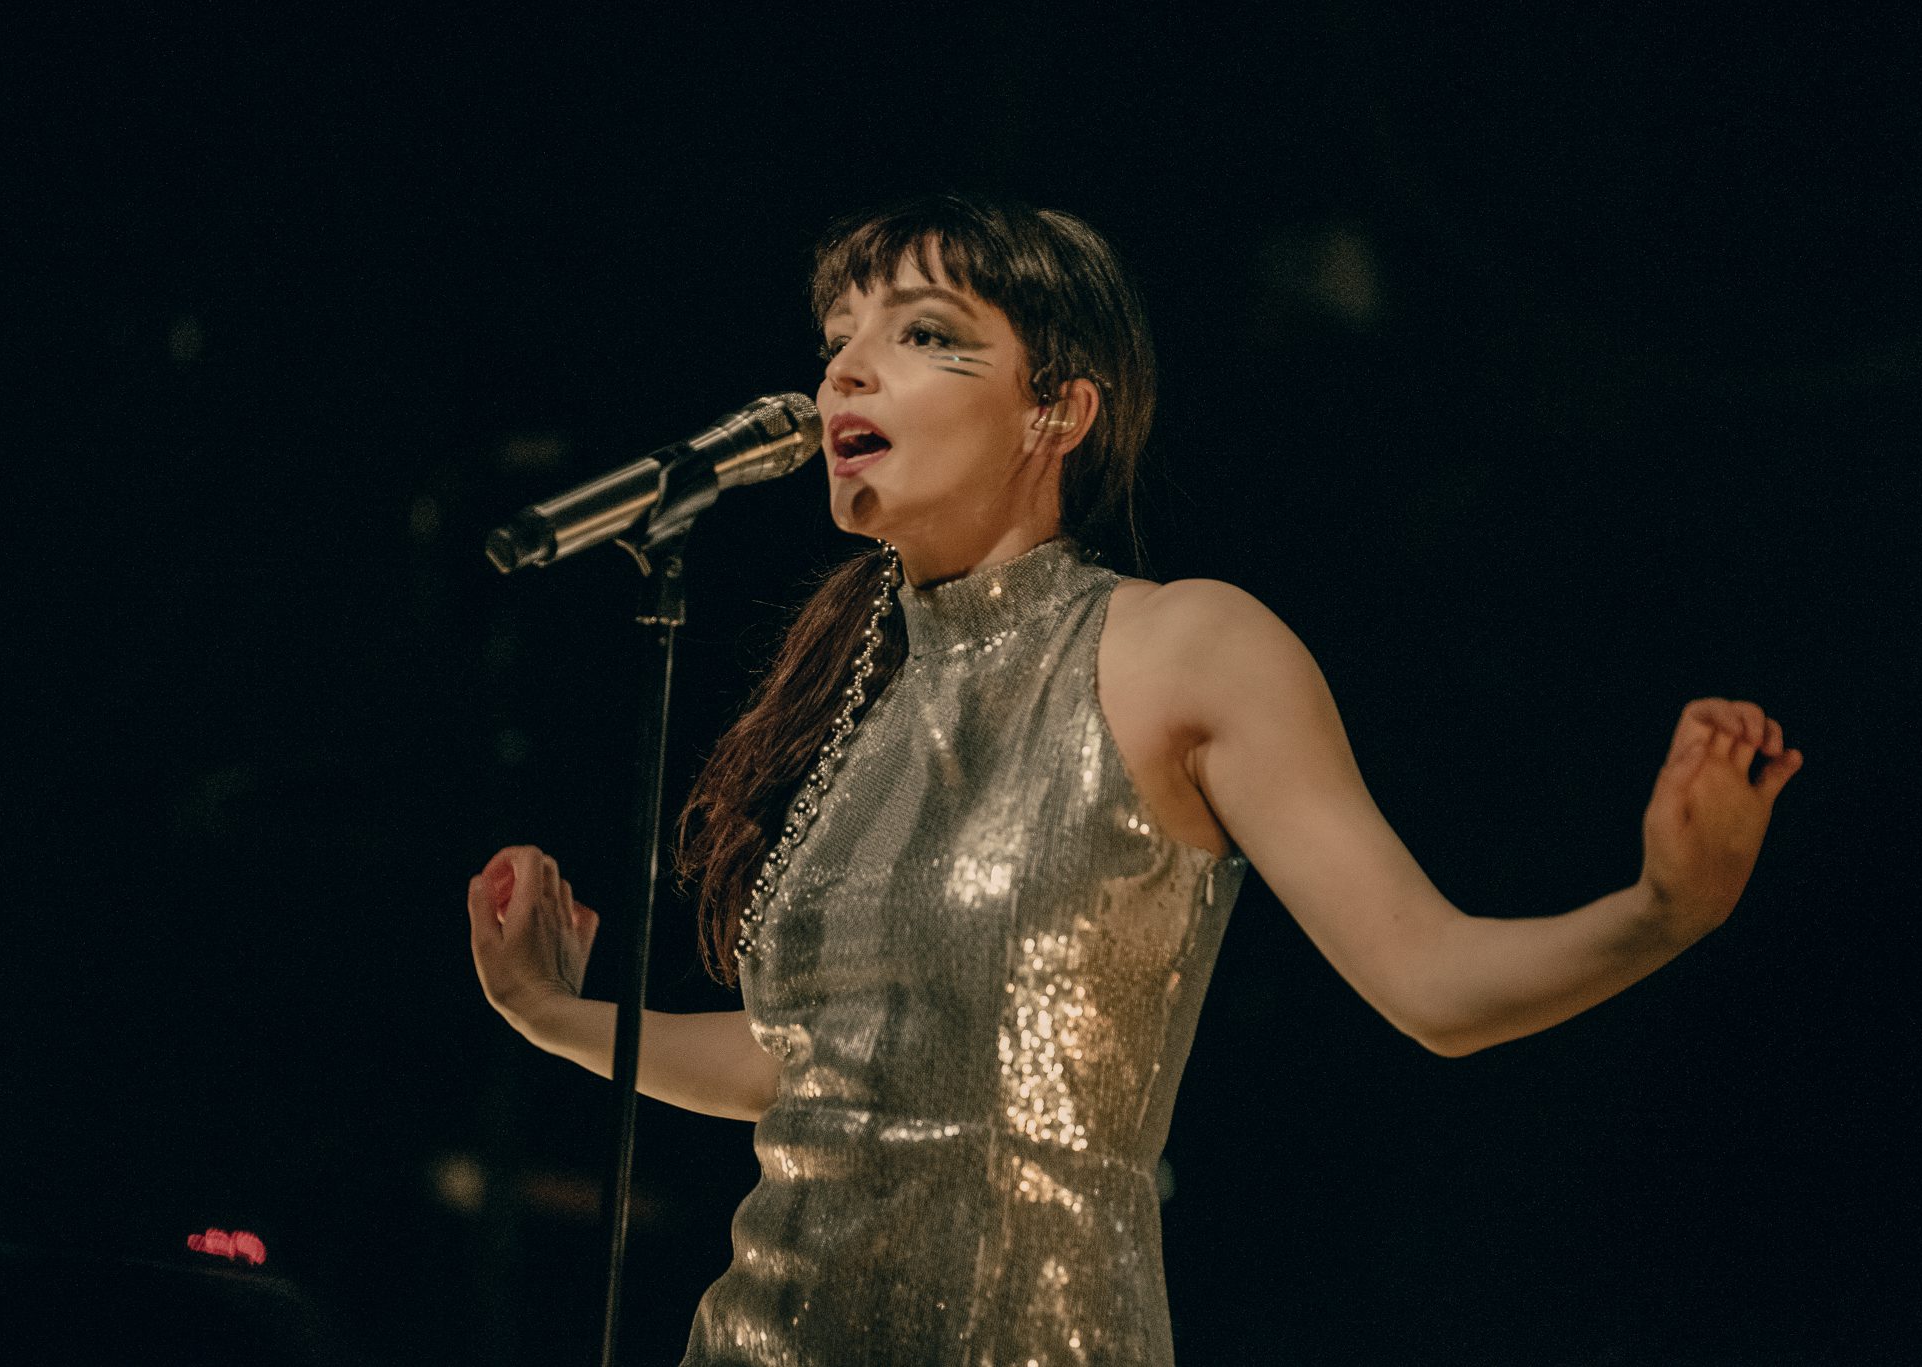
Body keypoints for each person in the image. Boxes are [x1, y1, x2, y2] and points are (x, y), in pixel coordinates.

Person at [465, 193, 1803, 1365]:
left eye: (924, 335)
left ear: (1057, 407)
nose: (849, 378)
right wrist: (553, 1016)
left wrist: (1661, 910)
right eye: (837, 348)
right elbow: (816, 1069)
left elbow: (1433, 987)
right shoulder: (857, 700)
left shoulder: (1179, 647)